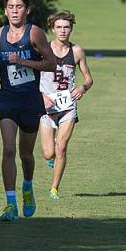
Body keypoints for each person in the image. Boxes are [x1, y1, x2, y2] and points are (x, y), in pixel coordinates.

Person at [0, 0, 56, 221]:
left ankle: (27, 187)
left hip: (29, 100)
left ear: (27, 10)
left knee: (26, 155)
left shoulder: (34, 33)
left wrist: (22, 61)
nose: (14, 11)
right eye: (11, 7)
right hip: (7, 99)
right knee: (8, 149)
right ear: (5, 10)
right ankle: (10, 204)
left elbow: (51, 64)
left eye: (19, 7)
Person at [39, 11, 93, 200]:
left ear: (71, 29)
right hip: (46, 107)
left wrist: (83, 87)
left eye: (66, 27)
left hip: (68, 106)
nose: (62, 31)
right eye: (59, 27)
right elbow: (31, 77)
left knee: (61, 147)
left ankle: (54, 188)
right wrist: (42, 95)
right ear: (52, 29)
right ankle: (52, 158)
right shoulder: (43, 49)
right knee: (48, 154)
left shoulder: (76, 51)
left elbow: (88, 78)